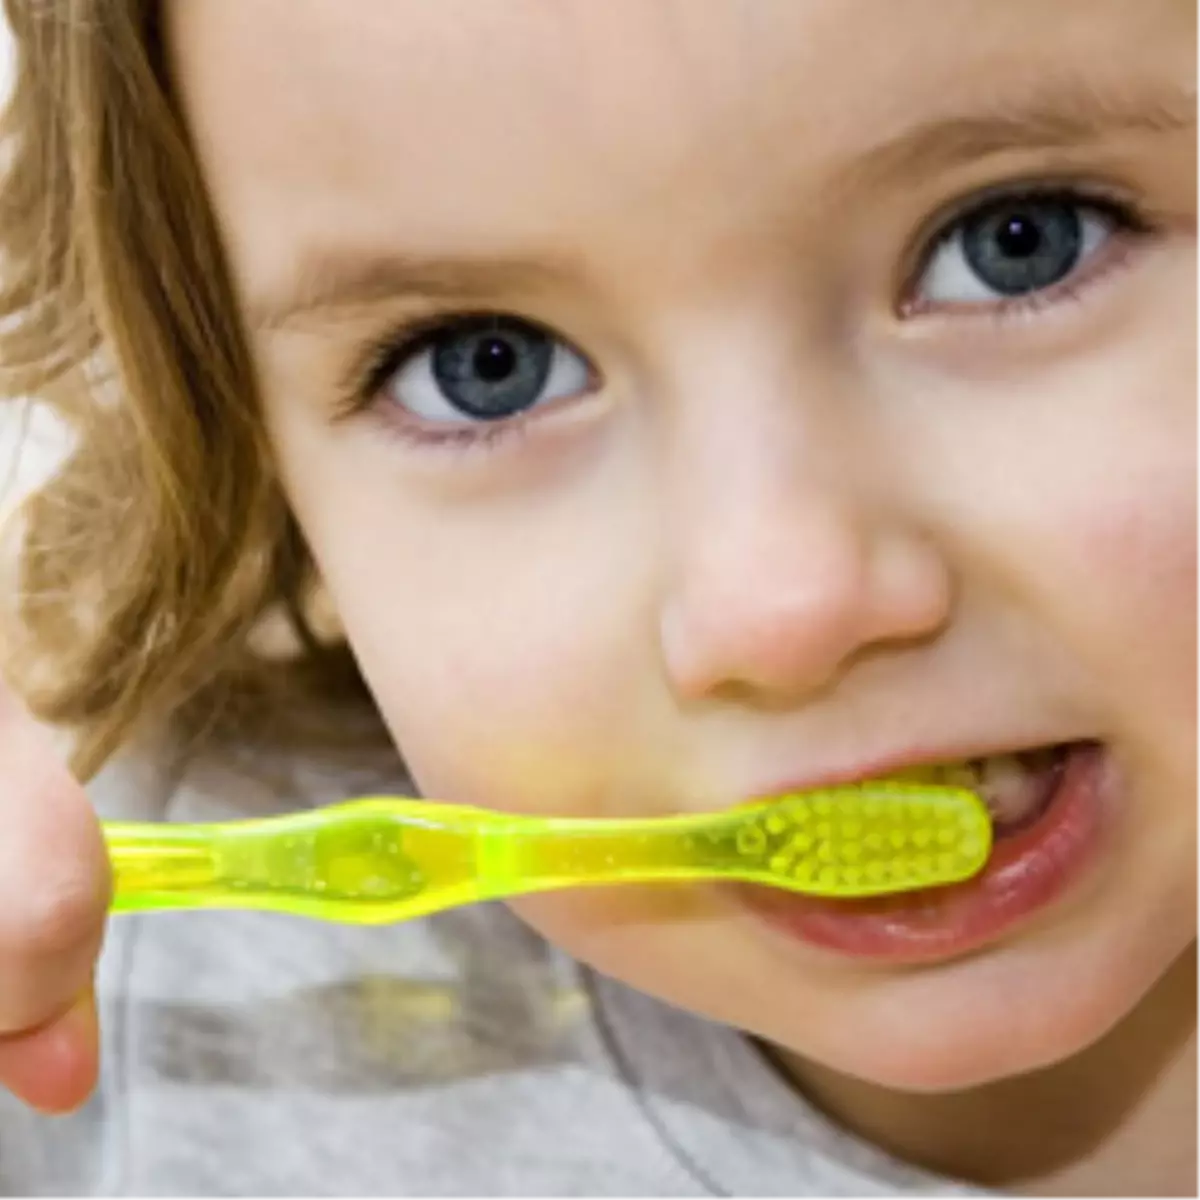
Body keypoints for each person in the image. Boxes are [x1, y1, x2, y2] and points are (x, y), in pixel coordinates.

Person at [1, 0, 1199, 1195]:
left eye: (1019, 241)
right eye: (486, 368)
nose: (782, 607)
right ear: (261, 478)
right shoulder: (127, 984)